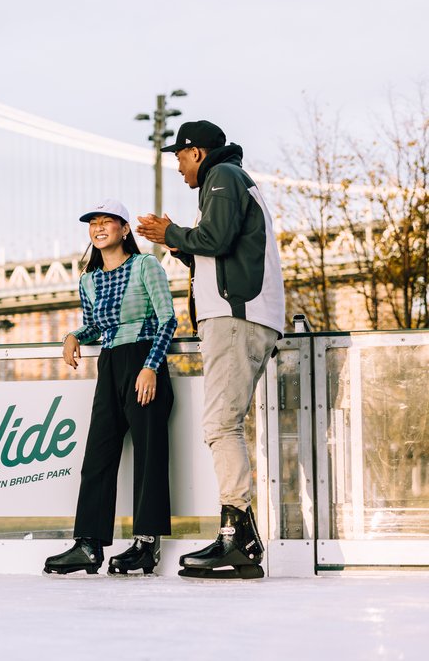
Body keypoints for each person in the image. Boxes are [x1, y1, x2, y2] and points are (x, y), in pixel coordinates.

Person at [136, 120, 285, 579]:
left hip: (235, 317)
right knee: (225, 422)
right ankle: (242, 537)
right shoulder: (230, 181)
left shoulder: (223, 178)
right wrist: (177, 242)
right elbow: (217, 251)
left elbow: (215, 240)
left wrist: (172, 233)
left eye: (179, 157)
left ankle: (235, 537)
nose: (178, 167)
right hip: (243, 316)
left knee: (221, 424)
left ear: (197, 152)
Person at [43, 199, 177, 576]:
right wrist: (72, 335)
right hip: (109, 364)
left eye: (107, 222)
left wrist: (151, 368)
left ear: (123, 229)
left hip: (143, 362)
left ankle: (146, 545)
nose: (99, 228)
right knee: (97, 457)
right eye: (93, 223)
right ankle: (88, 545)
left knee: (150, 457)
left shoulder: (145, 266)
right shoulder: (89, 279)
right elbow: (94, 325)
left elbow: (168, 321)